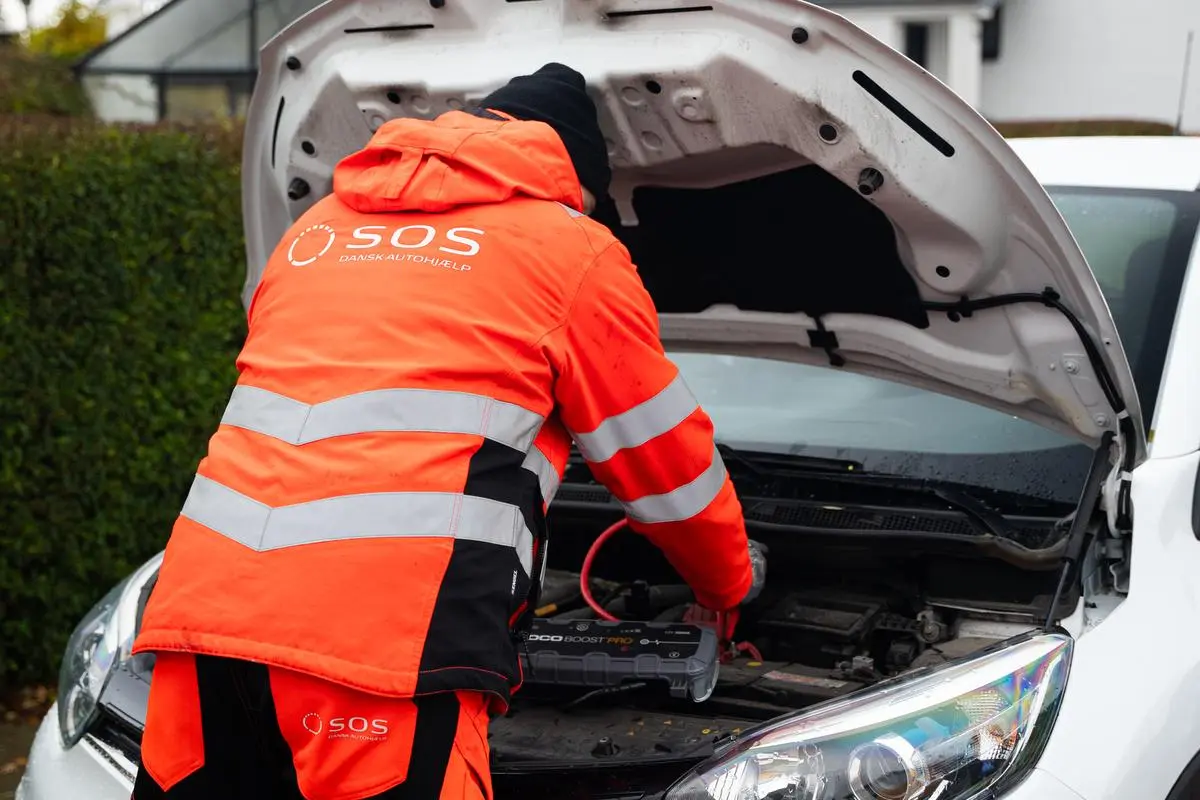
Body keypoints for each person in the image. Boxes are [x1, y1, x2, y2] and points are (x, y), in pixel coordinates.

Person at [130, 62, 765, 800]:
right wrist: (727, 586)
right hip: (381, 647)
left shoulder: (317, 230)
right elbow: (668, 464)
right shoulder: (572, 248)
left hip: (198, 620)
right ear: (573, 176)